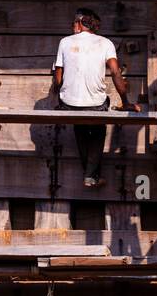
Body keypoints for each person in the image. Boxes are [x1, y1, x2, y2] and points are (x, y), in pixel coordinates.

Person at [53, 10, 139, 187]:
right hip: (95, 106)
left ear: (79, 23)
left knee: (80, 128)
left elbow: (58, 80)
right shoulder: (105, 43)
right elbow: (115, 72)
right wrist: (126, 101)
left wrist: (63, 93)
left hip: (69, 106)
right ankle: (91, 176)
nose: (72, 26)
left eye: (73, 23)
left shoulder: (64, 42)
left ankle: (91, 175)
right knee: (98, 131)